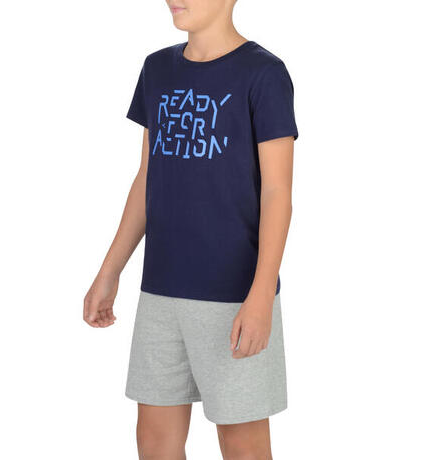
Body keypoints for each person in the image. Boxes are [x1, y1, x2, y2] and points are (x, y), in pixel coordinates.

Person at [83, 0, 298, 458]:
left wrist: (261, 295)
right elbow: (148, 177)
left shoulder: (264, 73)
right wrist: (110, 271)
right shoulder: (157, 69)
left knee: (242, 443)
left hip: (233, 295)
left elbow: (277, 193)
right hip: (161, 290)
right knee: (154, 441)